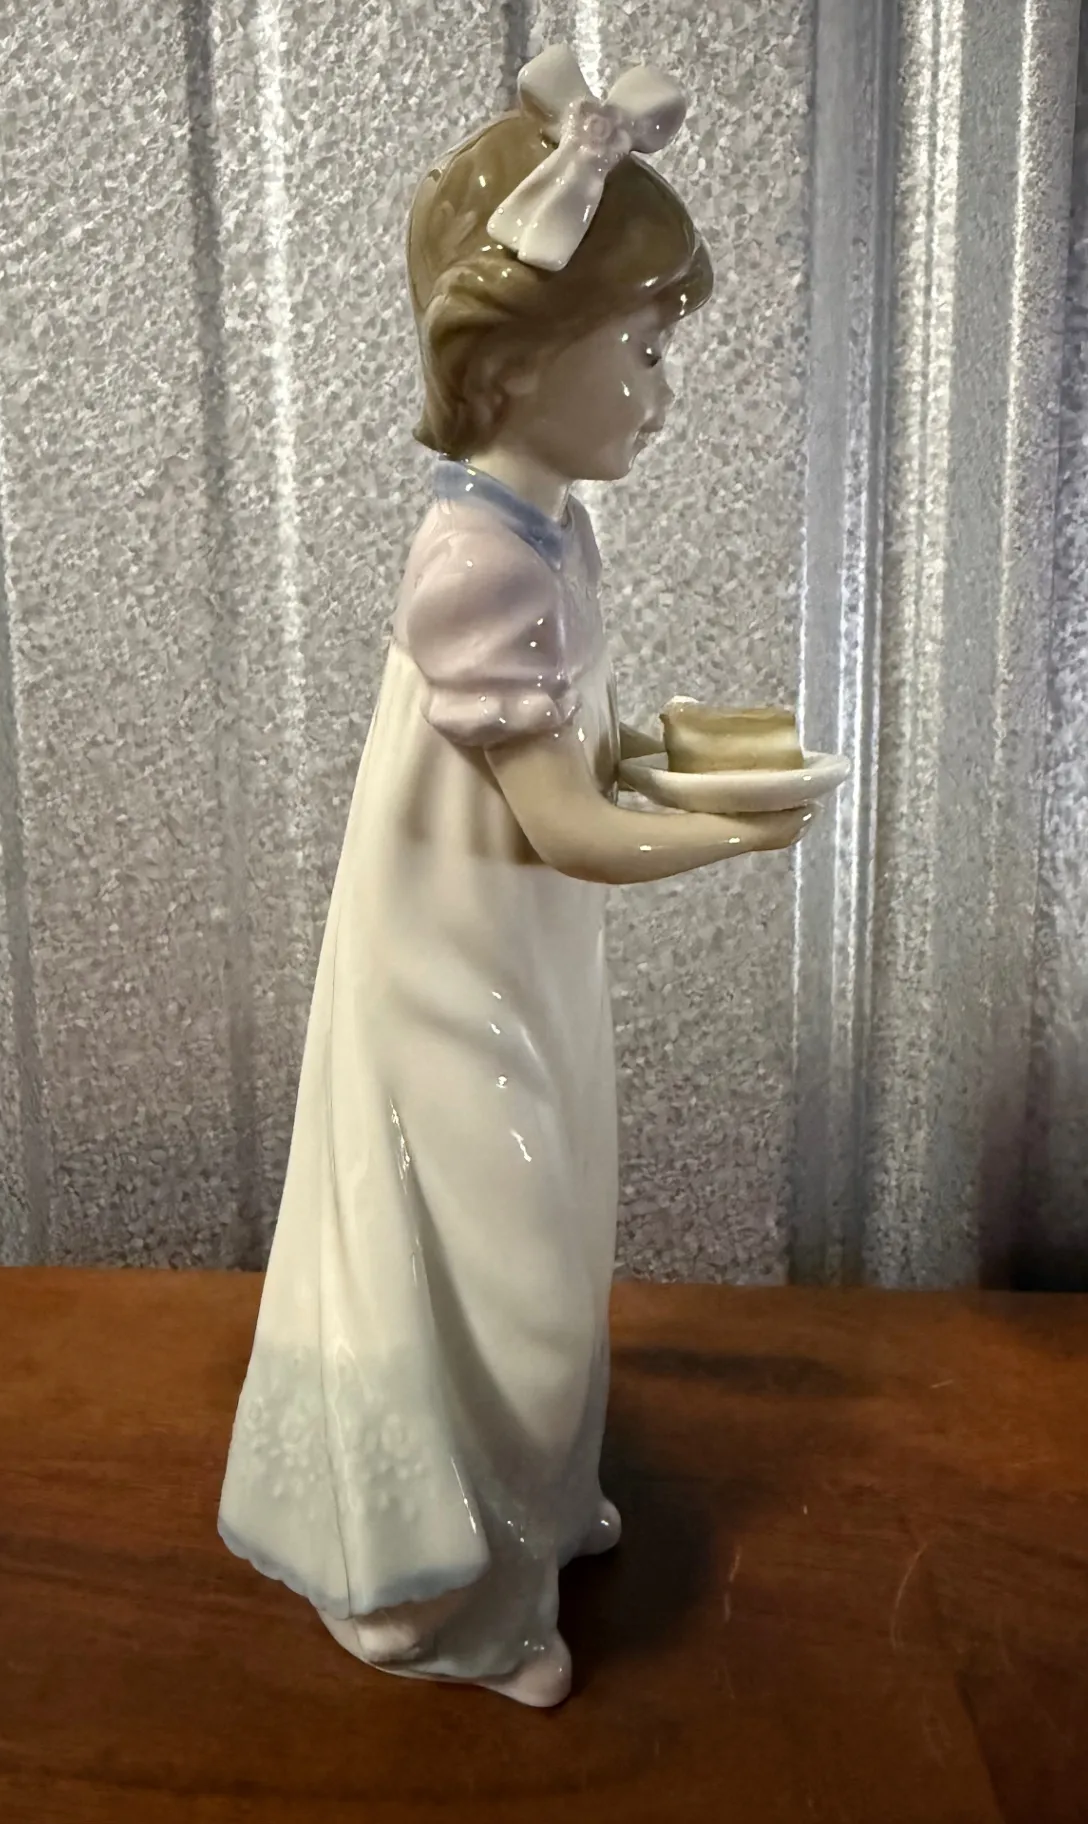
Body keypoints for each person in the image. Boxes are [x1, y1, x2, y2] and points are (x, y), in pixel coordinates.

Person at [217, 44, 816, 1708]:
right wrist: (740, 827)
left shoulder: (555, 529)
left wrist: (671, 762)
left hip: (519, 953)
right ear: (517, 358)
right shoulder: (475, 565)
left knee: (551, 1232)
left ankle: (533, 1514)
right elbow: (562, 825)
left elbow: (567, 757)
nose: (661, 391)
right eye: (644, 349)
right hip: (449, 974)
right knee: (511, 1276)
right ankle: (454, 1602)